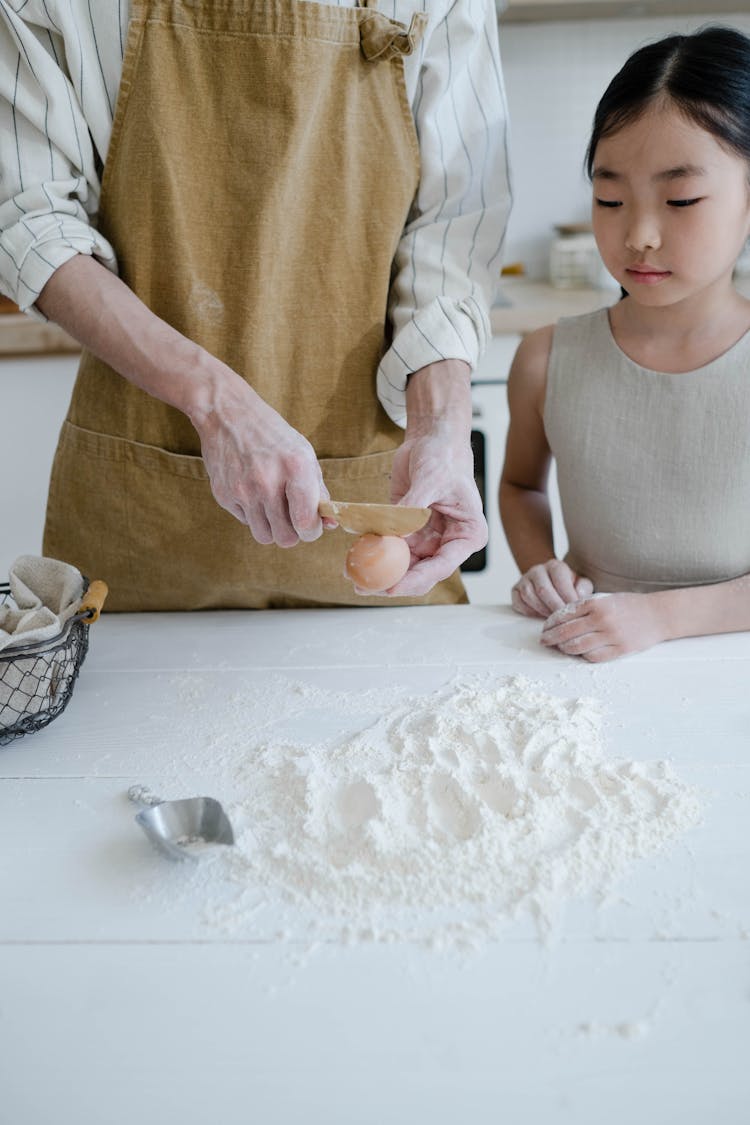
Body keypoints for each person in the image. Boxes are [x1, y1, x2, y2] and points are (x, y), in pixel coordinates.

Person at [0, 0, 510, 611]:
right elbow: (30, 222)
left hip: (372, 474)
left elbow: (452, 231)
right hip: (143, 488)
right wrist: (214, 404)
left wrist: (441, 428)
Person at [500, 24, 750, 663]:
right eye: (610, 198)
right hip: (587, 665)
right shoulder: (547, 358)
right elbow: (521, 488)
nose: (639, 233)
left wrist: (659, 618)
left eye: (681, 199)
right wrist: (539, 569)